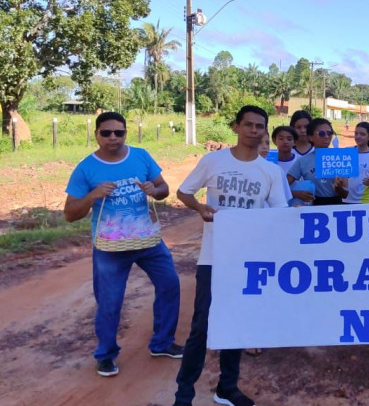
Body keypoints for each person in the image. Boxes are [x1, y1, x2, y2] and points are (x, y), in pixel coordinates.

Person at [174, 105, 289, 406]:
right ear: (236, 126)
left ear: (265, 130)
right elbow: (184, 192)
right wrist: (200, 208)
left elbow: (280, 216)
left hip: (248, 260)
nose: (254, 130)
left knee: (236, 323)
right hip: (214, 257)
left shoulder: (271, 172)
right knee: (201, 326)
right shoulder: (213, 161)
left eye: (259, 126)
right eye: (248, 125)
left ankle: (227, 387)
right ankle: (183, 394)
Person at [64, 111, 182, 378]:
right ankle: (105, 355)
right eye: (106, 132)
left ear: (126, 133)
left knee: (170, 285)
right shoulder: (86, 168)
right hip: (110, 247)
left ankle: (162, 343)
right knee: (109, 302)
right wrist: (93, 195)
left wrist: (155, 190)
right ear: (96, 134)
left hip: (147, 239)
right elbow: (70, 214)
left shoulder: (141, 156)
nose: (113, 137)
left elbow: (164, 189)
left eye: (119, 132)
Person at [287, 118, 348, 206]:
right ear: (310, 137)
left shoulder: (340, 158)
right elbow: (282, 187)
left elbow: (345, 195)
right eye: (321, 134)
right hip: (313, 206)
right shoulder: (303, 161)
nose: (326, 136)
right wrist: (296, 194)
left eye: (329, 133)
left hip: (336, 206)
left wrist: (339, 189)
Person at [339, 122, 369, 204]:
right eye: (356, 133)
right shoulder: (347, 151)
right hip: (345, 199)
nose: (358, 136)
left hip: (365, 201)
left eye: (362, 134)